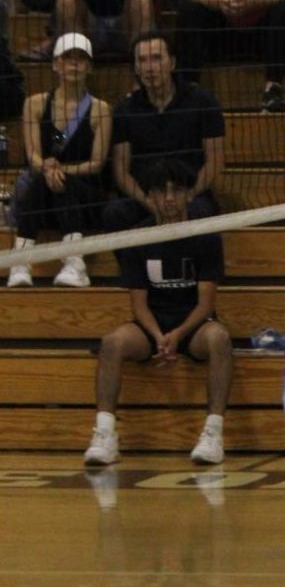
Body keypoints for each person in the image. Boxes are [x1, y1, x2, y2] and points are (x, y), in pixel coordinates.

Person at [84, 158, 231, 467]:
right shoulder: (139, 236)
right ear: (149, 197)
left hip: (193, 325)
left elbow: (206, 303)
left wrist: (177, 335)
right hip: (152, 323)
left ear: (189, 194)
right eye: (160, 192)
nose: (168, 199)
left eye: (176, 191)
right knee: (112, 342)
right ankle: (105, 434)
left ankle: (213, 434)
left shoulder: (206, 234)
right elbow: (138, 303)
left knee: (219, 338)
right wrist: (158, 336)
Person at [6, 33, 111, 289]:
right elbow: (32, 156)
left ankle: (69, 262)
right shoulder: (36, 104)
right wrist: (48, 167)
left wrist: (60, 169)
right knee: (42, 178)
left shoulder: (100, 109)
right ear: (55, 65)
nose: (74, 64)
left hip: (85, 195)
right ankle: (28, 263)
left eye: (81, 59)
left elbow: (97, 163)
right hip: (43, 194)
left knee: (62, 180)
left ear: (90, 67)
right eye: (67, 59)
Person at [104, 31, 225, 234]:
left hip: (189, 196)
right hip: (145, 198)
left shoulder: (203, 102)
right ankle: (131, 267)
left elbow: (214, 162)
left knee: (201, 212)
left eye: (157, 58)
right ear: (135, 68)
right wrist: (150, 203)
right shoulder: (124, 110)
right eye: (142, 60)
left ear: (173, 63)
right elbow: (121, 172)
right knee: (114, 213)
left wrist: (184, 198)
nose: (150, 67)